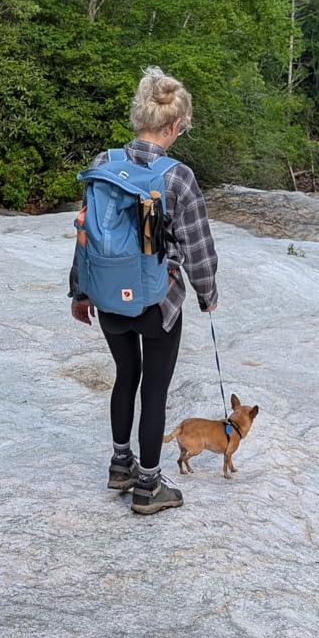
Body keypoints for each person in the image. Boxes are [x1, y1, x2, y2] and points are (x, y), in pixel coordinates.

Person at [70, 67, 219, 516]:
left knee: (125, 377)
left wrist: (80, 291)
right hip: (159, 300)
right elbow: (198, 246)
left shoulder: (101, 163)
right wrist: (207, 293)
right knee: (154, 390)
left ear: (140, 118)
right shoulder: (178, 177)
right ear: (174, 125)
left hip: (107, 296)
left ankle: (121, 465)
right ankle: (150, 487)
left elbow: (85, 233)